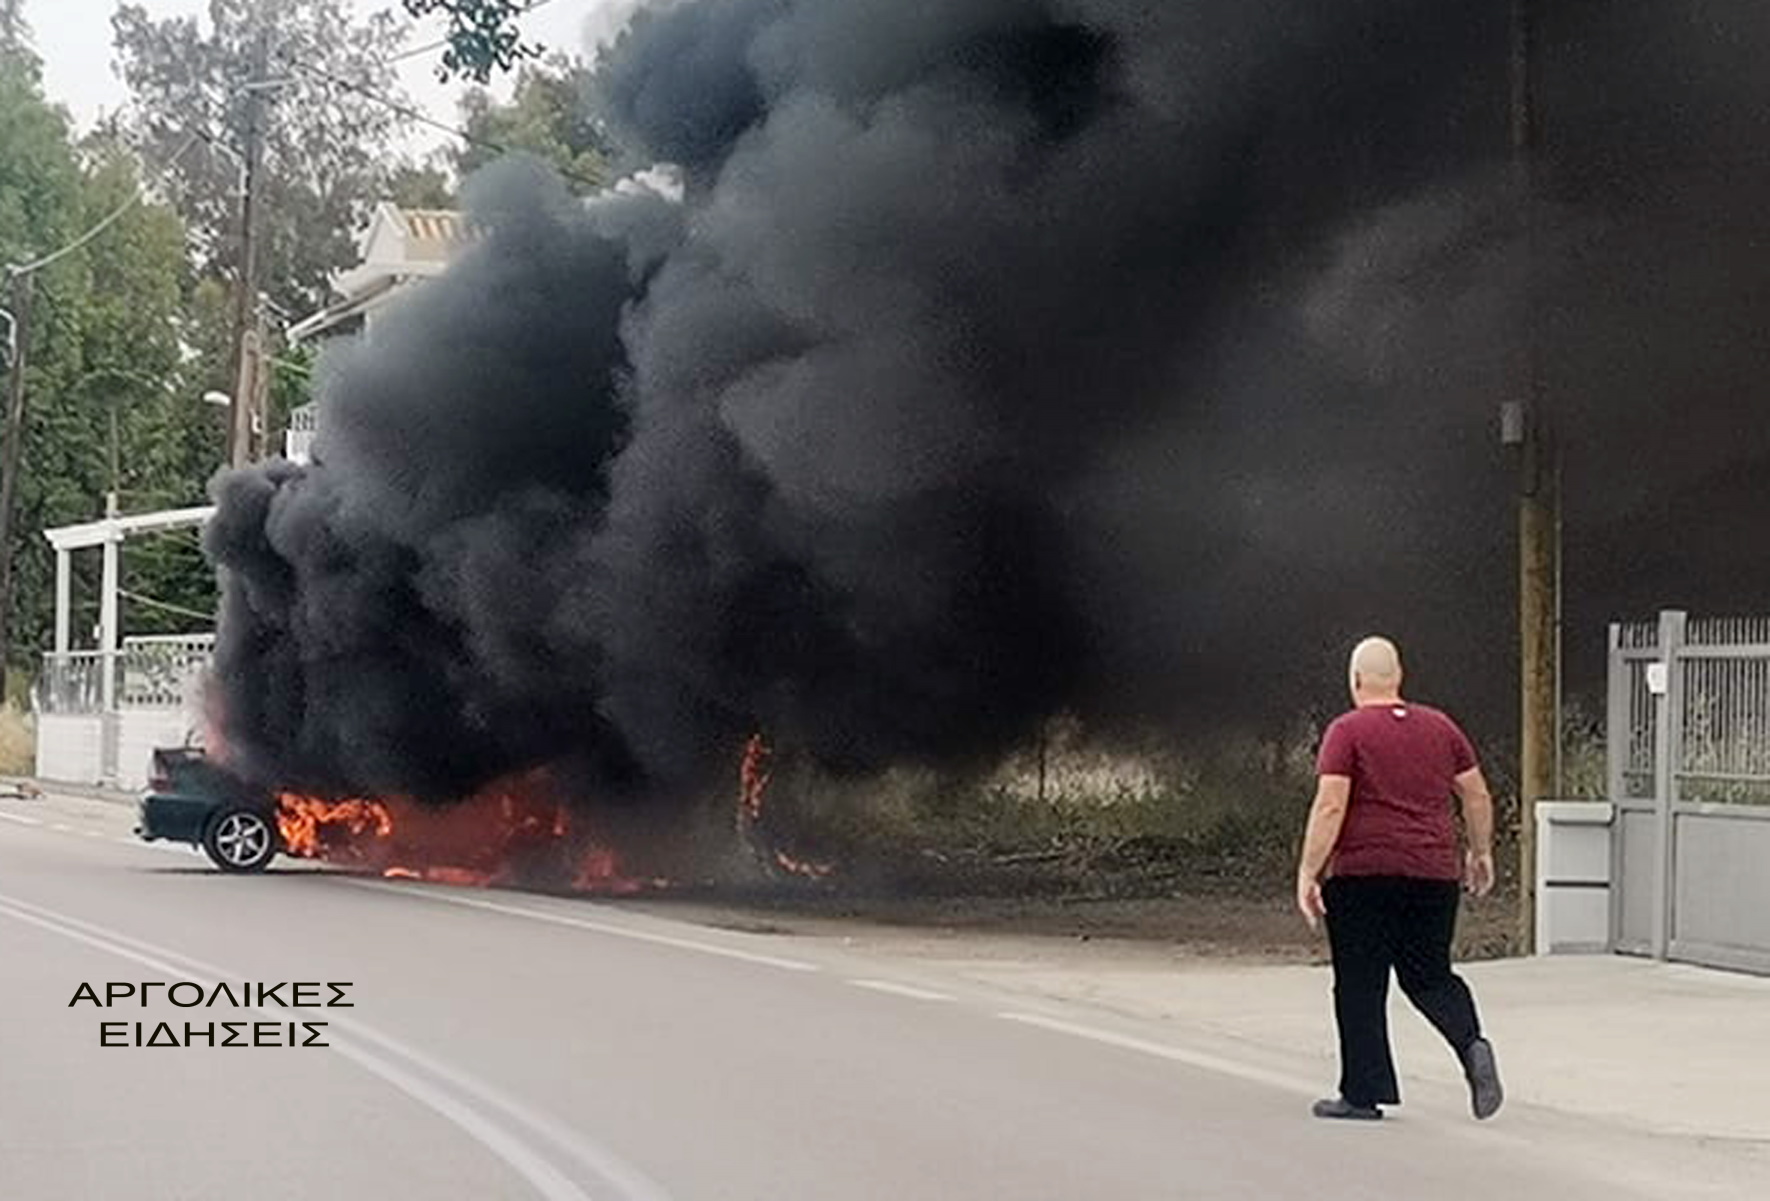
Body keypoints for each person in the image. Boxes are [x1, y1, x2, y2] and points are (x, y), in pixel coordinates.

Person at [1295, 636, 1504, 1121]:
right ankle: (1471, 1043)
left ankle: (1363, 1094)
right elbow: (1475, 793)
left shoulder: (1346, 731)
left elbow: (1330, 804)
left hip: (1363, 876)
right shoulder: (1441, 727)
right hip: (1433, 875)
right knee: (1429, 975)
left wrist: (1309, 870)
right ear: (1400, 677)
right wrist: (1480, 852)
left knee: (1361, 983)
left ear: (1355, 681)